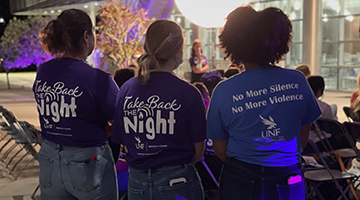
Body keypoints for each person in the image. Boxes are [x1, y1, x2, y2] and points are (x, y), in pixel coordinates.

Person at [206, 5, 321, 200]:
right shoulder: (298, 80)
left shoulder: (223, 90)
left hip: (240, 177)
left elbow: (219, 150)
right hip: (288, 175)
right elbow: (301, 140)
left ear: (232, 43)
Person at [111, 20, 206, 200]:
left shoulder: (126, 89)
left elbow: (122, 142)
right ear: (178, 51)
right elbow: (198, 152)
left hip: (137, 183)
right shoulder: (188, 93)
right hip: (178, 181)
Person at [34, 9, 118, 199]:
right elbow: (124, 121)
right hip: (87, 161)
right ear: (85, 37)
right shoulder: (98, 79)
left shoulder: (43, 72)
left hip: (49, 157)